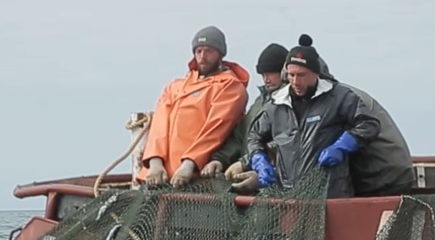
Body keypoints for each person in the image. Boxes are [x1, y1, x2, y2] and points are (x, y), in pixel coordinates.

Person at [242, 35, 381, 198]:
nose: (295, 81)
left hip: (331, 194)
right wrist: (258, 159)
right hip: (287, 196)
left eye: (302, 75)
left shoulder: (338, 97)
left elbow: (369, 124)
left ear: (316, 74)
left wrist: (343, 145)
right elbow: (254, 137)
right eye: (291, 75)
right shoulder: (275, 104)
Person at [135, 26, 250, 188]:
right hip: (159, 176)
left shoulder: (230, 87)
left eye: (209, 51)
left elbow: (215, 129)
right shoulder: (174, 87)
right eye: (198, 51)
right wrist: (155, 162)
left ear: (221, 54)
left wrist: (189, 165)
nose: (202, 57)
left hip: (197, 179)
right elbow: (159, 127)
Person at [203, 42, 287, 179]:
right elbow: (240, 136)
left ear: (284, 72)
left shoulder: (292, 104)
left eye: (271, 73)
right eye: (263, 74)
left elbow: (283, 142)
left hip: (274, 180)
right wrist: (219, 160)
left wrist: (244, 163)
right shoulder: (259, 102)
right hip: (247, 175)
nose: (266, 79)